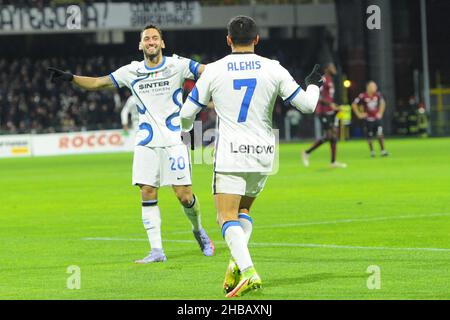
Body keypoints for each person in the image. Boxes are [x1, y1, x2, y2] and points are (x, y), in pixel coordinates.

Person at [180, 16, 322, 297]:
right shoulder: (274, 68)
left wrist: (185, 134)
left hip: (231, 153)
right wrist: (314, 83)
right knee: (242, 212)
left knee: (224, 217)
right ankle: (237, 262)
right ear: (257, 40)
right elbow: (307, 106)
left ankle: (248, 271)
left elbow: (186, 114)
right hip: (264, 153)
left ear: (228, 40)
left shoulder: (215, 70)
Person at [48, 24, 215, 263]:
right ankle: (156, 250)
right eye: (146, 38)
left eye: (155, 38)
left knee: (184, 196)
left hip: (174, 140)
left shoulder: (178, 65)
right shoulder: (131, 71)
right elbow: (97, 83)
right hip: (146, 142)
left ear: (162, 43)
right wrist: (71, 78)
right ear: (140, 45)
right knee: (147, 191)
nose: (151, 41)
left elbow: (208, 72)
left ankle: (198, 230)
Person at [302, 63, 347, 168]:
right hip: (323, 112)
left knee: (333, 136)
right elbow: (319, 96)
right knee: (330, 136)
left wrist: (334, 106)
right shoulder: (323, 79)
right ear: (327, 69)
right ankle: (307, 152)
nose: (334, 69)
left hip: (330, 111)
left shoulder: (330, 80)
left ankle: (333, 162)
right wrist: (330, 104)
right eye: (332, 67)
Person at [352, 81, 389, 157]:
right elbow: (354, 104)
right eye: (373, 86)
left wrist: (380, 113)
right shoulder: (363, 96)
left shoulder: (378, 95)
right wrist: (359, 114)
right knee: (370, 135)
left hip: (376, 118)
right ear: (368, 87)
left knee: (380, 134)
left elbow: (383, 103)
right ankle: (372, 151)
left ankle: (383, 151)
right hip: (368, 119)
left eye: (375, 86)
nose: (375, 88)